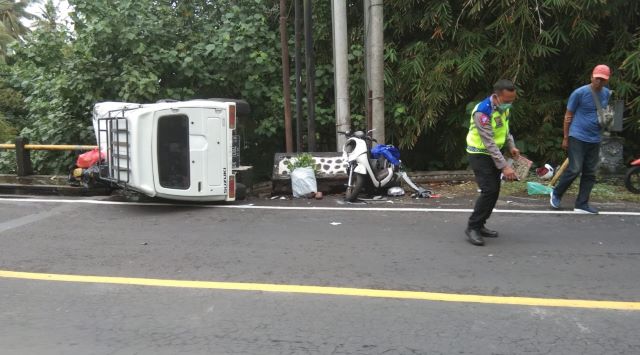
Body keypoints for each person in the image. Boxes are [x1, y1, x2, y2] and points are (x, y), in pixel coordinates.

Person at [464, 79, 520, 246]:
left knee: (494, 191)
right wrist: (505, 166)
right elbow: (488, 142)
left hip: (494, 153)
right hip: (480, 154)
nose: (510, 104)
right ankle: (472, 227)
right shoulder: (482, 112)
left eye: (512, 100)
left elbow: (505, 129)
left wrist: (512, 146)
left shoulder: (503, 108)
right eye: (507, 101)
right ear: (496, 96)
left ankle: (480, 225)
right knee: (489, 190)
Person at [550, 65, 611, 214]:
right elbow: (568, 115)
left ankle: (581, 204)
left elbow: (603, 113)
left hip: (595, 138)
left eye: (603, 80)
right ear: (591, 77)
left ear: (607, 81)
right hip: (577, 135)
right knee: (575, 169)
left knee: (590, 172)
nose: (599, 82)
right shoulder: (579, 93)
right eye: (597, 78)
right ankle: (556, 193)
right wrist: (566, 137)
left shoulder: (607, 94)